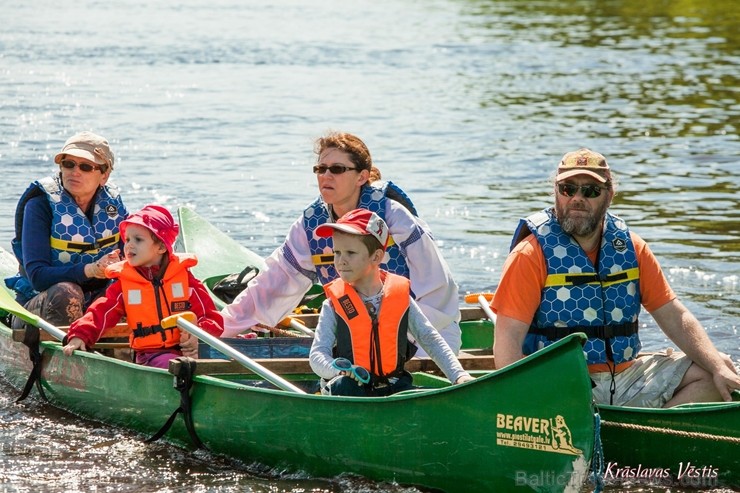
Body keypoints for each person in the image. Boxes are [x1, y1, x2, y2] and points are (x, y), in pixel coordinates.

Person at [491, 148, 740, 408]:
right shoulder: (530, 254)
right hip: (560, 381)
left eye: (590, 191)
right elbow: (507, 345)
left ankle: (650, 434)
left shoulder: (632, 247)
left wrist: (716, 366)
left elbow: (673, 315)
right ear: (556, 192)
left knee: (717, 370)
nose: (577, 198)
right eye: (567, 189)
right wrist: (528, 401)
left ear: (609, 195)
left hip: (627, 376)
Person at [221, 131, 462, 355]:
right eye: (320, 168)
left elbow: (438, 290)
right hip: (356, 337)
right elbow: (271, 286)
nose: (325, 176)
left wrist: (395, 333)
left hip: (425, 334)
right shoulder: (310, 225)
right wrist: (220, 328)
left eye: (336, 169)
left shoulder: (393, 216)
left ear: (362, 177)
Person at [308, 208, 473, 396]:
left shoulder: (400, 298)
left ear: (376, 256)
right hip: (350, 388)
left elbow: (429, 338)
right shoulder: (333, 304)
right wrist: (340, 370)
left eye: (350, 253)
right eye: (337, 252)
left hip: (393, 385)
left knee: (418, 393)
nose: (340, 261)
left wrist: (459, 376)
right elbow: (317, 356)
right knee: (344, 386)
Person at [62, 205, 224, 368]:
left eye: (138, 240)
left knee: (208, 361)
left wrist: (198, 335)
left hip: (191, 352)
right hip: (152, 355)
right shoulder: (124, 284)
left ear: (161, 247)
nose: (129, 246)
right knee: (176, 365)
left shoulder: (185, 279)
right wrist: (80, 335)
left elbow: (211, 318)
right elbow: (100, 312)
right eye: (127, 240)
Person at [5, 131, 127, 332]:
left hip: (96, 302)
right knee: (66, 292)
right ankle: (67, 358)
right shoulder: (40, 206)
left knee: (130, 290)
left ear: (104, 175)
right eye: (68, 164)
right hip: (41, 303)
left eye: (86, 166)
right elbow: (37, 276)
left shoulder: (113, 205)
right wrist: (91, 270)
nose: (74, 172)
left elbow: (134, 251)